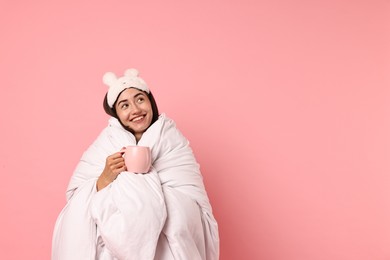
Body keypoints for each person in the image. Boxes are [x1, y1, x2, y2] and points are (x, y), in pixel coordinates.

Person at [51, 69, 219, 260]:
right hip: (111, 249)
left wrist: (149, 190)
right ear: (117, 113)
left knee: (178, 217)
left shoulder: (171, 137)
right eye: (125, 105)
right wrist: (106, 178)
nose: (136, 110)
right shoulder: (106, 141)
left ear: (150, 102)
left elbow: (191, 193)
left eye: (140, 99)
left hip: (165, 243)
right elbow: (75, 195)